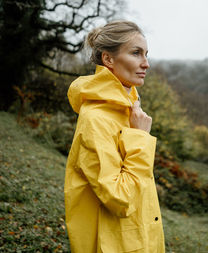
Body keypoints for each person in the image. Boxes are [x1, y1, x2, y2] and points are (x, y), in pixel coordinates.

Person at [64, 20, 165, 253]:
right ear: (108, 59)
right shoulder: (96, 119)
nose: (146, 63)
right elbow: (120, 198)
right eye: (136, 53)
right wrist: (140, 137)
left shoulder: (128, 109)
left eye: (146, 54)